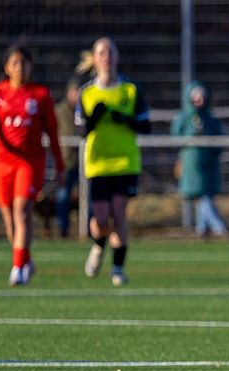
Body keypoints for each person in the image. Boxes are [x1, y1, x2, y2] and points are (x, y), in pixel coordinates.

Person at [0, 45, 64, 286]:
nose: (20, 68)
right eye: (15, 63)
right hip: (3, 163)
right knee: (10, 219)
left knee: (22, 211)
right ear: (6, 67)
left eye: (24, 63)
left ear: (31, 66)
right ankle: (25, 259)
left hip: (30, 162)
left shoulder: (40, 95)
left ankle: (17, 269)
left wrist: (60, 165)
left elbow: (53, 133)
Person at [74, 37, 151, 286]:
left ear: (117, 57)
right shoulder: (86, 92)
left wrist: (126, 120)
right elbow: (80, 131)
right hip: (98, 163)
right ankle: (98, 245)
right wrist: (93, 119)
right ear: (94, 59)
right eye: (101, 52)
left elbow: (146, 125)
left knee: (119, 214)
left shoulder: (130, 89)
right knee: (100, 218)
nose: (106, 56)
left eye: (110, 51)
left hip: (125, 162)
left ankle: (118, 268)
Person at [172, 81, 228, 238]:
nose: (199, 100)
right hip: (191, 165)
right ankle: (218, 227)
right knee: (202, 197)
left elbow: (219, 141)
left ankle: (201, 229)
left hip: (209, 164)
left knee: (205, 196)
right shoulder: (184, 118)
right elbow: (175, 135)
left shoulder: (210, 119)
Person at [54, 78, 81, 238]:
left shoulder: (85, 109)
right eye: (74, 92)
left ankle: (89, 229)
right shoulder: (59, 111)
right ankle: (62, 229)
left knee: (89, 198)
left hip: (84, 162)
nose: (76, 95)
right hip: (66, 162)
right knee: (63, 196)